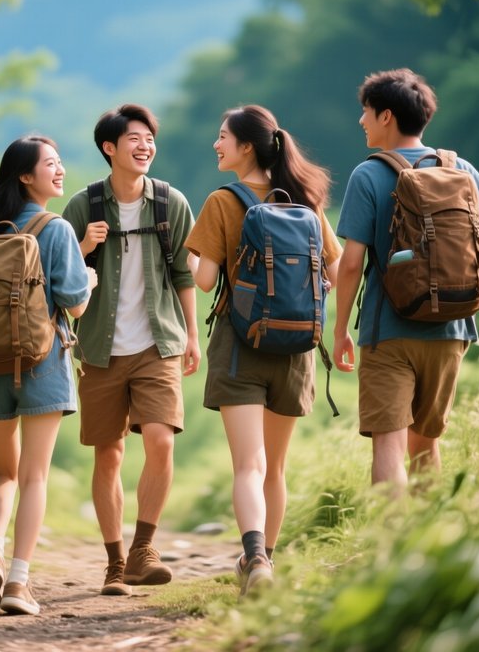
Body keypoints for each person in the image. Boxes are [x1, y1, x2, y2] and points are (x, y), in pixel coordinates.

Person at [333, 68, 479, 488]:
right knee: (425, 445)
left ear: (386, 116)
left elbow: (350, 264)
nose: (361, 121)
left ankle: (394, 550)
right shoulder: (462, 169)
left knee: (388, 445)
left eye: (366, 112)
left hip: (387, 331)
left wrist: (339, 330)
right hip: (452, 328)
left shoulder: (367, 175)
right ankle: (425, 546)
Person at [185, 104, 341, 597]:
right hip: (296, 347)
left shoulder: (222, 202)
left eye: (223, 136)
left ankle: (254, 558)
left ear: (246, 146)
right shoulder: (305, 201)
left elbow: (207, 281)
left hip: (241, 343)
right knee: (275, 467)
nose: (217, 144)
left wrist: (193, 257)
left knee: (247, 465)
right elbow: (334, 276)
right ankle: (265, 559)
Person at [0, 135, 95, 616]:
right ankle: (17, 581)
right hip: (42, 362)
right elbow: (74, 304)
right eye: (51, 165)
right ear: (26, 176)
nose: (60, 172)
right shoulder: (55, 230)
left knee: (3, 472)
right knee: (34, 475)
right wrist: (89, 279)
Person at [62, 103, 200, 596]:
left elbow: (183, 274)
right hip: (99, 347)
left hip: (158, 341)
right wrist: (81, 246)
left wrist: (191, 335)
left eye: (149, 138)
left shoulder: (170, 203)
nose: (145, 147)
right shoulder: (84, 205)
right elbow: (59, 277)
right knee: (109, 455)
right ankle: (115, 562)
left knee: (162, 440)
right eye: (134, 139)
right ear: (110, 148)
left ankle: (144, 547)